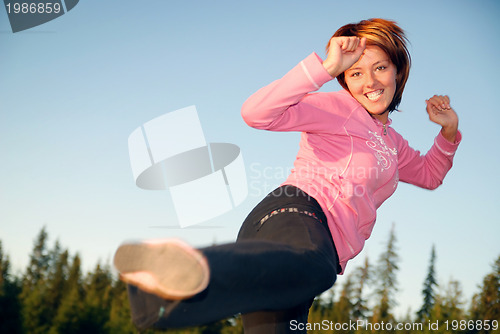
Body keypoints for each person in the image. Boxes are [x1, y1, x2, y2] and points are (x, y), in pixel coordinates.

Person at [113, 18, 461, 333]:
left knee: (304, 283)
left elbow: (430, 175)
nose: (369, 81)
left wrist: (448, 132)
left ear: (397, 71)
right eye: (355, 73)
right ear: (345, 80)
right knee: (315, 266)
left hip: (289, 261)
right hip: (298, 216)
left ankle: (155, 300)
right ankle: (200, 266)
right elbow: (256, 113)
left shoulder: (395, 145)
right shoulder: (340, 108)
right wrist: (324, 69)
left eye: (380, 68)